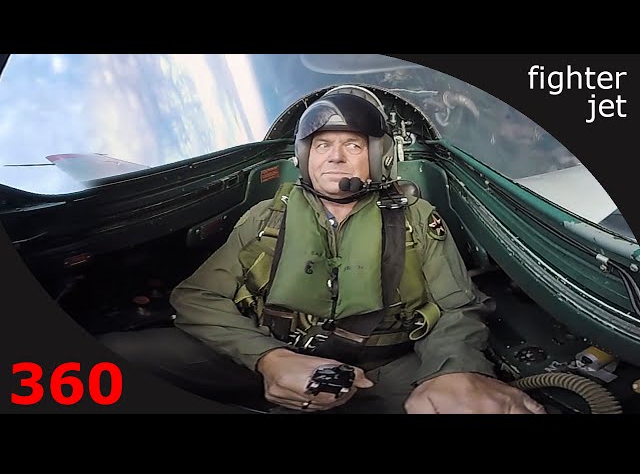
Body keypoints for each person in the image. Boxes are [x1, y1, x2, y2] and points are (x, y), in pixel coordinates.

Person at [98, 85, 546, 414]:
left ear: (379, 156)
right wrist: (270, 359)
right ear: (304, 157)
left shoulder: (415, 216)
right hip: (264, 350)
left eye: (352, 144)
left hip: (382, 368)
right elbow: (197, 299)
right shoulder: (265, 218)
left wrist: (455, 370)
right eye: (322, 145)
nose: (335, 156)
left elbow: (457, 307)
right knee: (116, 354)